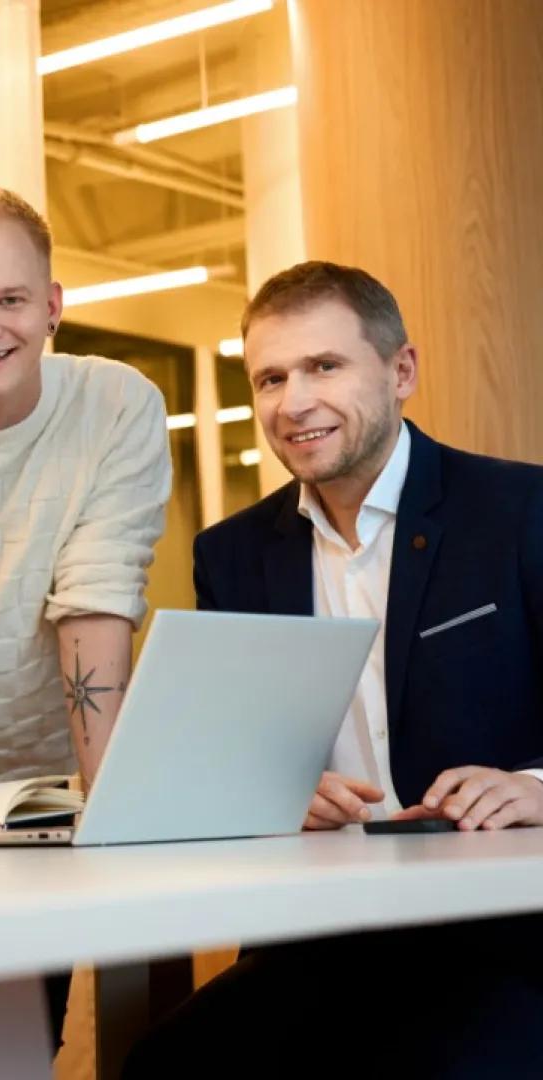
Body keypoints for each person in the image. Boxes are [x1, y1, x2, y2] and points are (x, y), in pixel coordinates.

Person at [125, 261, 543, 1077]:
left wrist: (539, 786)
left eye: (325, 366)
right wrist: (271, 791)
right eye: (271, 377)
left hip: (506, 936)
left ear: (401, 371)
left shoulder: (521, 513)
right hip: (324, 937)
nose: (294, 401)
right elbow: (229, 757)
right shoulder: (233, 555)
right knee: (164, 1066)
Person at [0, 183, 172, 1053]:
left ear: (53, 307)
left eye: (11, 299)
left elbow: (96, 599)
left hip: (45, 799)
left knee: (18, 1040)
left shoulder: (115, 405)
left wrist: (112, 809)